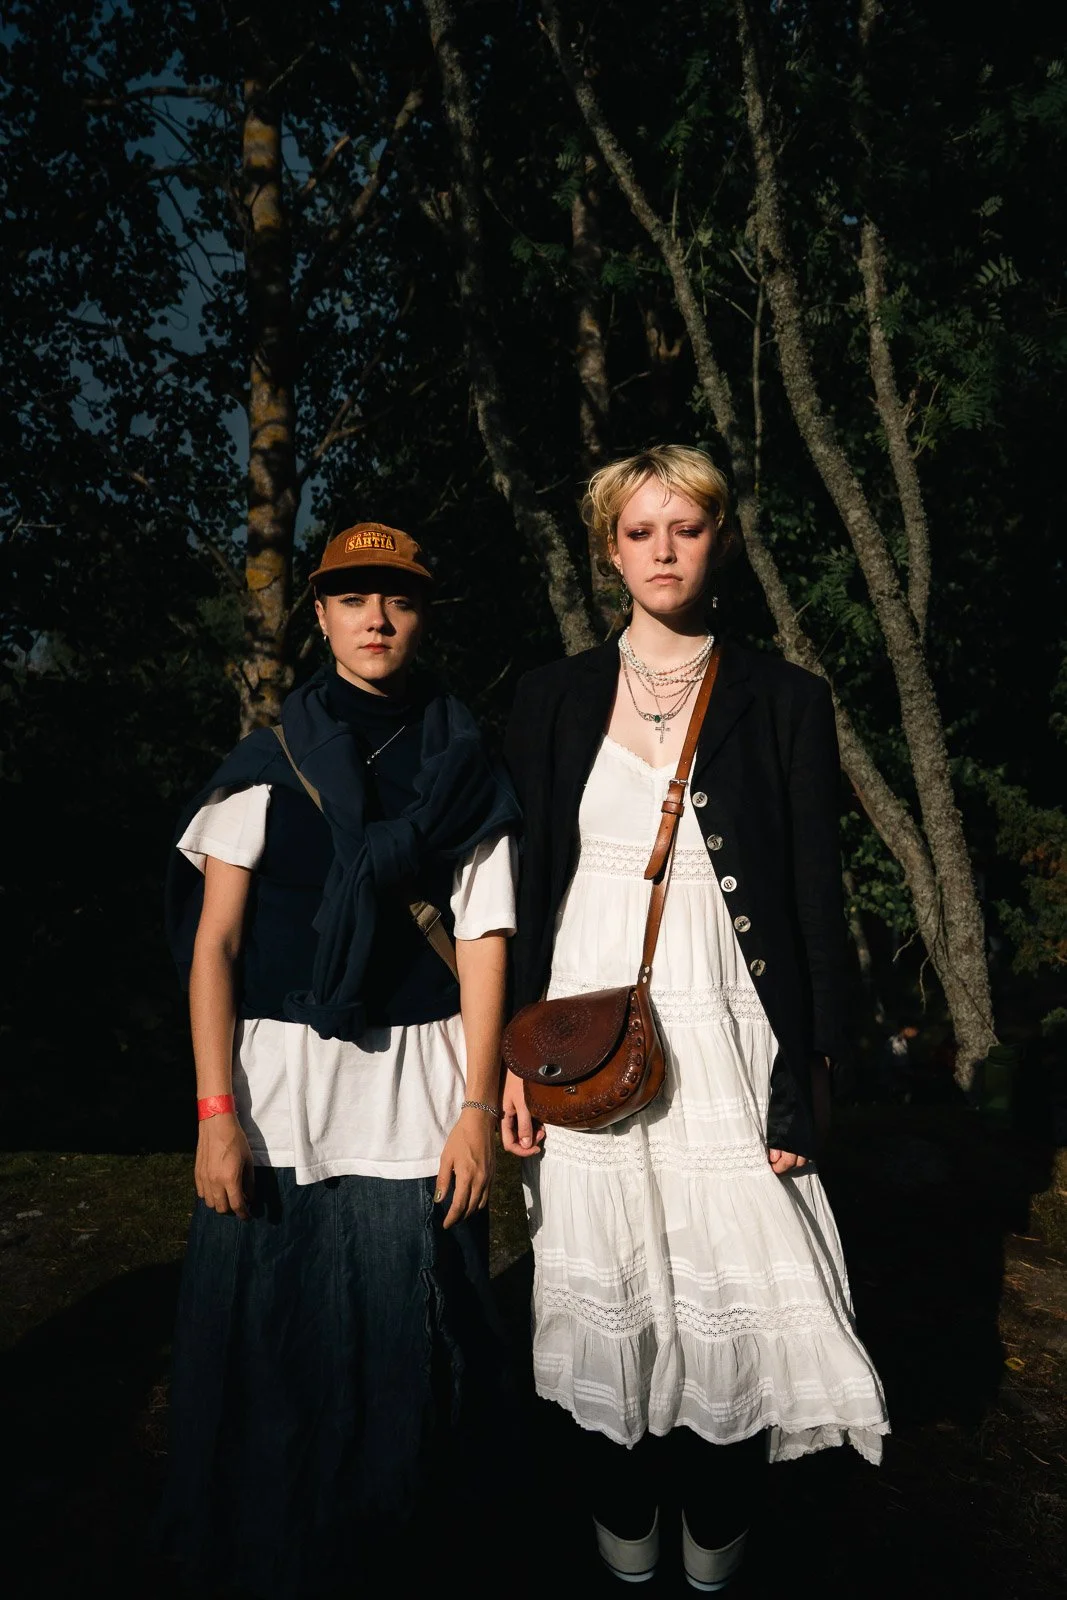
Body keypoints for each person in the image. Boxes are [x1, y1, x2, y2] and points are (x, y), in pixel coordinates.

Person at [501, 447, 888, 1591]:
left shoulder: (783, 697)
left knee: (734, 1298)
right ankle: (623, 1540)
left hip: (726, 1030)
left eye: (684, 527)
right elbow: (524, 888)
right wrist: (509, 1061)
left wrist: (808, 1075)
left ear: (718, 540)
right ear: (607, 549)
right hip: (582, 1033)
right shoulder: (548, 696)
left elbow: (814, 898)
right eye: (639, 531)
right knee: (608, 1295)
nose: (662, 550)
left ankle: (714, 1552)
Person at [160, 522, 520, 1596]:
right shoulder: (264, 766)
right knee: (268, 1354)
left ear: (422, 615)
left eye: (397, 599)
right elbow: (215, 948)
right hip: (279, 1097)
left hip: (418, 1095)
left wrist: (475, 1109)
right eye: (352, 598)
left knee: (417, 1354)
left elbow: (483, 943)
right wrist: (214, 1113)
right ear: (318, 616)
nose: (376, 618)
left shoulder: (465, 766)